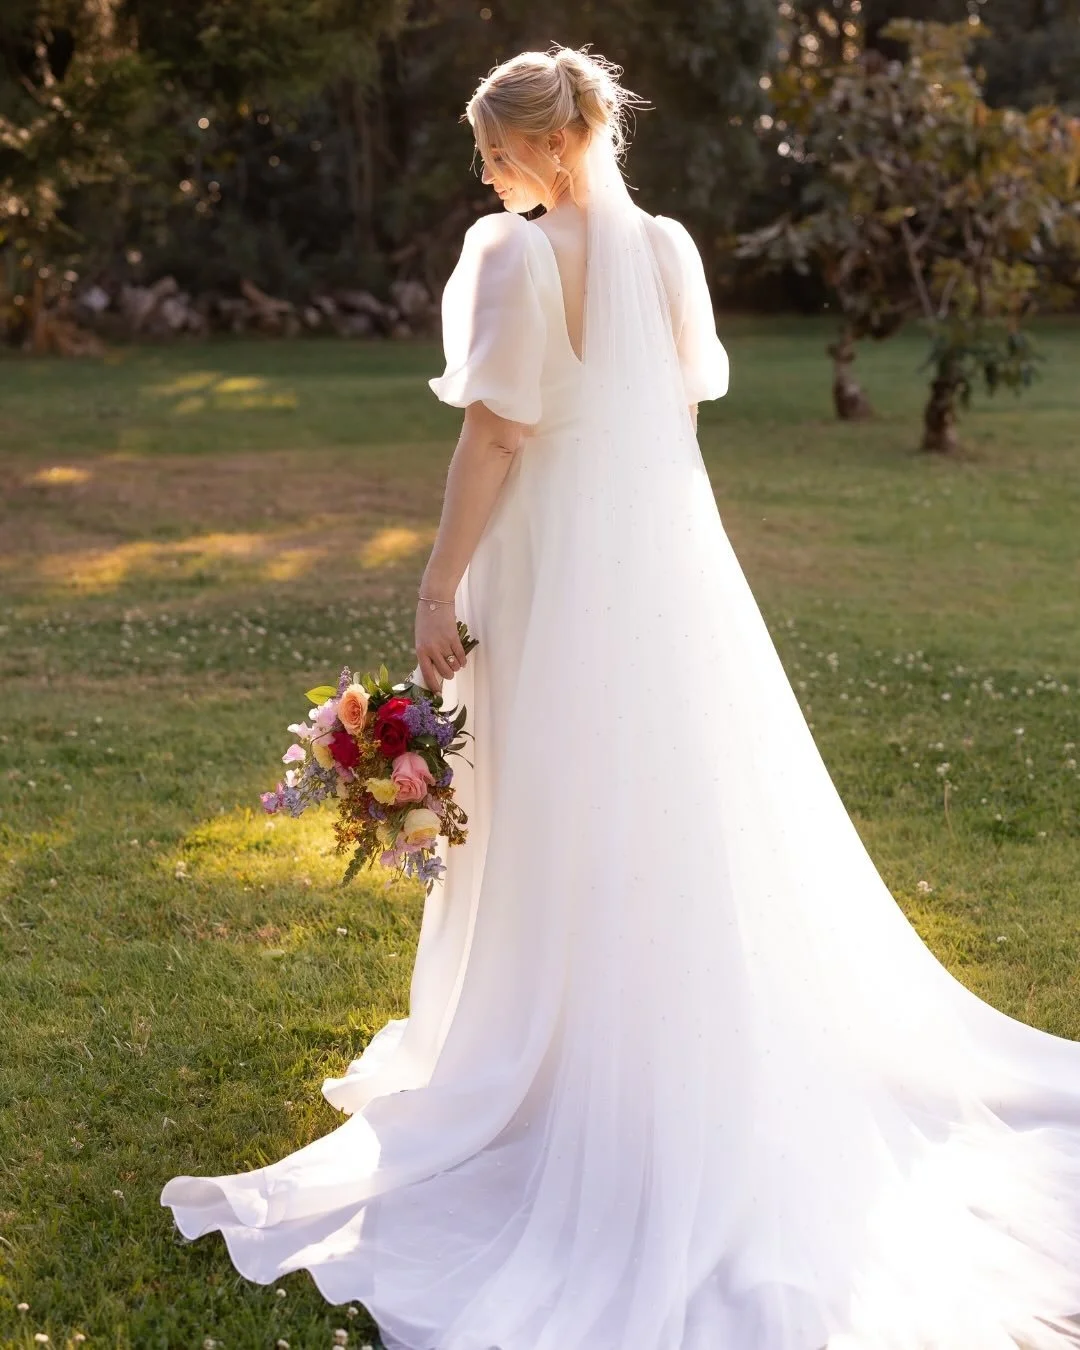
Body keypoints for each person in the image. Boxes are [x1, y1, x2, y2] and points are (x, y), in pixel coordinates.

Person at [162, 46, 1080, 1350]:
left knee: (556, 805)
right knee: (666, 810)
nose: (481, 174)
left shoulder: (514, 256)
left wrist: (439, 581)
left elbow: (497, 431)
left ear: (538, 146)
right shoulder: (669, 255)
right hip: (662, 583)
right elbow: (670, 420)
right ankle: (631, 1049)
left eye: (489, 149)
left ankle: (549, 1066)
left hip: (549, 570)